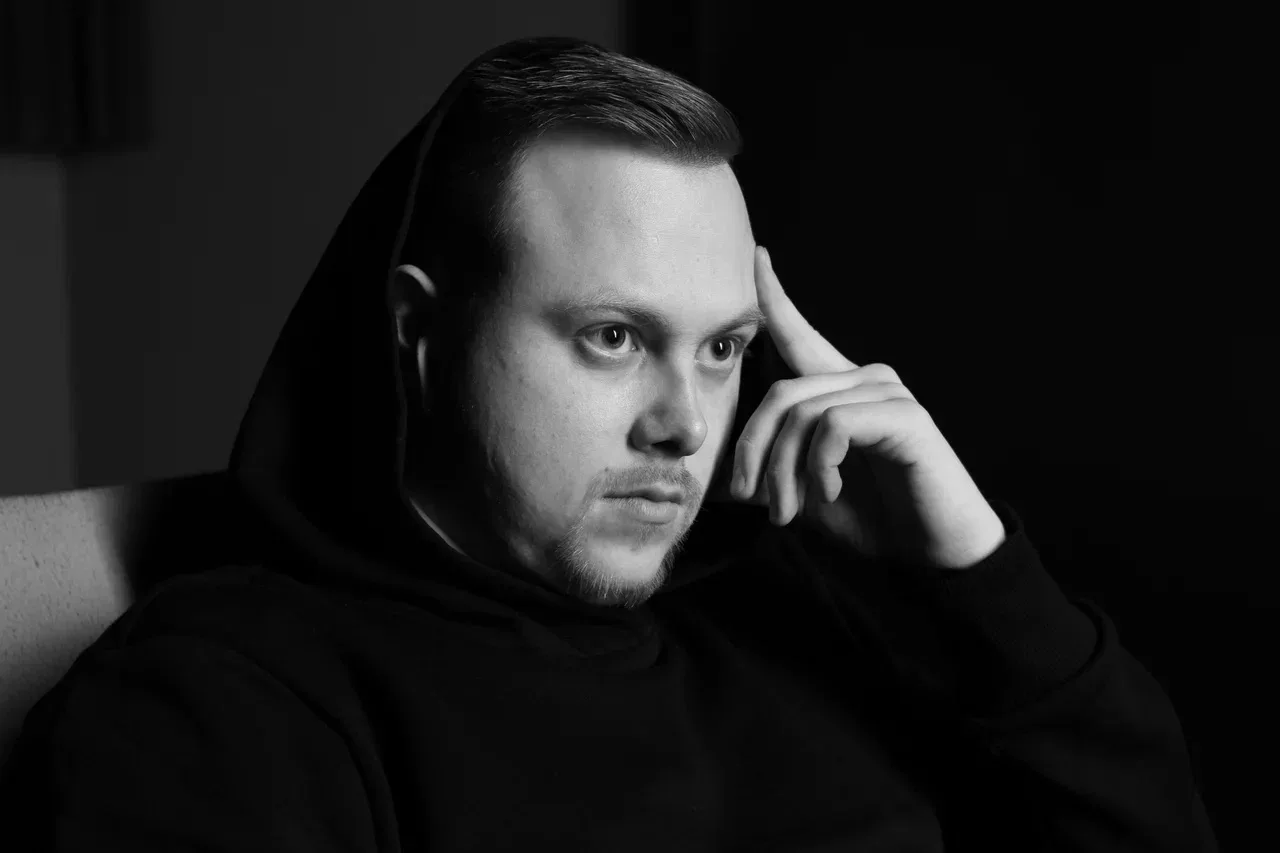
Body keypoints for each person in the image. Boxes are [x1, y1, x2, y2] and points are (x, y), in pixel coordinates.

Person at [0, 36, 1217, 851]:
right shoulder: (221, 705)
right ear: (419, 333)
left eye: (722, 349)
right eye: (612, 337)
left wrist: (977, 575)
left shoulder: (796, 617)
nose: (683, 423)